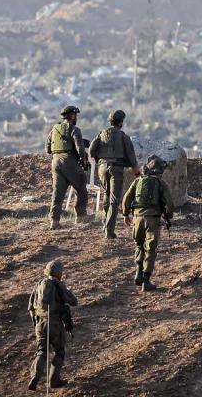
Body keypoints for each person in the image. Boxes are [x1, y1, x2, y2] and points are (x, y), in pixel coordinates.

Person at [121, 155, 174, 291]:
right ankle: (146, 280)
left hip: (137, 218)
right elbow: (170, 203)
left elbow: (126, 198)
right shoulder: (161, 184)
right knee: (151, 249)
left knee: (139, 245)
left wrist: (126, 214)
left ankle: (138, 272)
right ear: (158, 171)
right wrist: (169, 216)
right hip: (153, 219)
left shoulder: (138, 181)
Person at [27, 260, 78, 391]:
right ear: (60, 274)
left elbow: (31, 307)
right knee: (60, 352)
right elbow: (73, 302)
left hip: (40, 324)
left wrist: (35, 322)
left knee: (41, 352)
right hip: (55, 324)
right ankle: (54, 381)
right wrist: (69, 292)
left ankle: (35, 377)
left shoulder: (38, 285)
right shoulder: (59, 285)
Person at [89, 109, 140, 239]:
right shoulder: (123, 137)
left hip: (102, 168)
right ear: (121, 123)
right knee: (114, 200)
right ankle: (109, 231)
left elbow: (91, 150)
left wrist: (97, 158)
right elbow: (131, 156)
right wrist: (137, 171)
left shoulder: (101, 134)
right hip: (115, 169)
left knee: (106, 197)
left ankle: (105, 224)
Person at [45, 105, 90, 230]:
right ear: (73, 116)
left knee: (58, 193)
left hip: (55, 162)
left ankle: (54, 221)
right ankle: (80, 216)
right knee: (81, 188)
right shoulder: (75, 129)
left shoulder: (54, 129)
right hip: (69, 161)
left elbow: (48, 149)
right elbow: (80, 148)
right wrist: (84, 160)